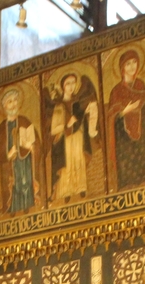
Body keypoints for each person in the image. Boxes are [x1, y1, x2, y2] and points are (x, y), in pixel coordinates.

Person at [106, 49, 145, 189]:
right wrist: (124, 111)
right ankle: (127, 179)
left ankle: (144, 174)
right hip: (123, 130)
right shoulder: (116, 90)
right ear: (122, 68)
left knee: (142, 148)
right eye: (128, 64)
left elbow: (143, 100)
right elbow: (111, 115)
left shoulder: (140, 85)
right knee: (127, 153)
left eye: (134, 63)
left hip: (140, 124)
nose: (132, 67)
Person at [47, 73, 99, 203]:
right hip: (65, 141)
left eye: (73, 83)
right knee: (67, 165)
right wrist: (67, 125)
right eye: (68, 84)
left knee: (78, 162)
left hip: (79, 137)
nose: (71, 86)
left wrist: (87, 115)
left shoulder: (78, 103)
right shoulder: (59, 106)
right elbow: (54, 129)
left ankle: (80, 187)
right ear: (63, 87)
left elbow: (86, 115)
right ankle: (66, 191)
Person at [0, 87, 40, 215]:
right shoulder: (1, 129)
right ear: (4, 106)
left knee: (26, 182)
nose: (13, 104)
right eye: (10, 102)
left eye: (15, 101)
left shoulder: (25, 121)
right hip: (10, 165)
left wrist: (31, 147)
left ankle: (28, 206)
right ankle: (12, 207)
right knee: (14, 185)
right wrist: (7, 155)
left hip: (25, 162)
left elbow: (37, 142)